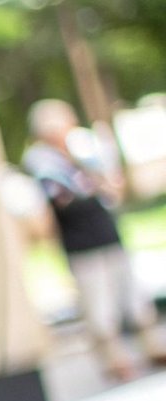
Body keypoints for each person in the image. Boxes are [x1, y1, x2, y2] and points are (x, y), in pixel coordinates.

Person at [22, 99, 166, 380]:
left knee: (134, 298)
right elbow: (63, 199)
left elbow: (108, 188)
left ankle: (150, 346)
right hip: (82, 243)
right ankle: (115, 361)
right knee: (99, 306)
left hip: (106, 234)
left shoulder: (80, 153)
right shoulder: (44, 162)